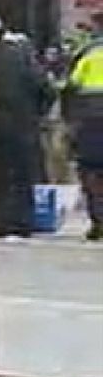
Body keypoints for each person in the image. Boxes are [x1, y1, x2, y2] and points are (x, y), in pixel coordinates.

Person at [0, 22, 50, 238]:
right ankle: (22, 221)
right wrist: (38, 113)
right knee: (23, 173)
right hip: (23, 122)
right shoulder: (23, 54)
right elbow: (44, 88)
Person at [63, 28, 103, 241]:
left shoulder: (88, 56)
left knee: (91, 173)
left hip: (90, 121)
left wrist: (70, 123)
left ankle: (98, 222)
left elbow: (70, 87)